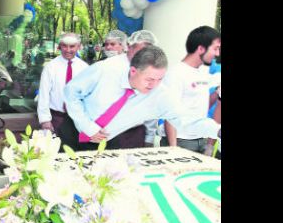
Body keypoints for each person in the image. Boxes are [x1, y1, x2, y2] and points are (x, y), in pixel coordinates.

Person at [60, 45, 221, 151]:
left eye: (160, 79)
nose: (154, 85)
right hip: (73, 129)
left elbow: (186, 119)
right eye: (150, 79)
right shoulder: (105, 70)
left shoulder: (160, 94)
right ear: (133, 71)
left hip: (107, 140)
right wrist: (86, 125)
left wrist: (217, 131)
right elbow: (71, 91)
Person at [163, 26, 221, 154]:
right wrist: (173, 149)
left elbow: (200, 105)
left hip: (201, 139)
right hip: (181, 141)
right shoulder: (176, 73)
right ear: (201, 48)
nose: (217, 54)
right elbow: (170, 114)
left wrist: (217, 94)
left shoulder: (202, 72)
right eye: (215, 49)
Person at [36, 32, 88, 133]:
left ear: (78, 47)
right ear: (60, 47)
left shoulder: (85, 68)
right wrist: (45, 120)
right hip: (56, 118)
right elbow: (44, 94)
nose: (68, 50)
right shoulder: (50, 67)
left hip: (78, 120)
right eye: (64, 46)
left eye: (72, 46)